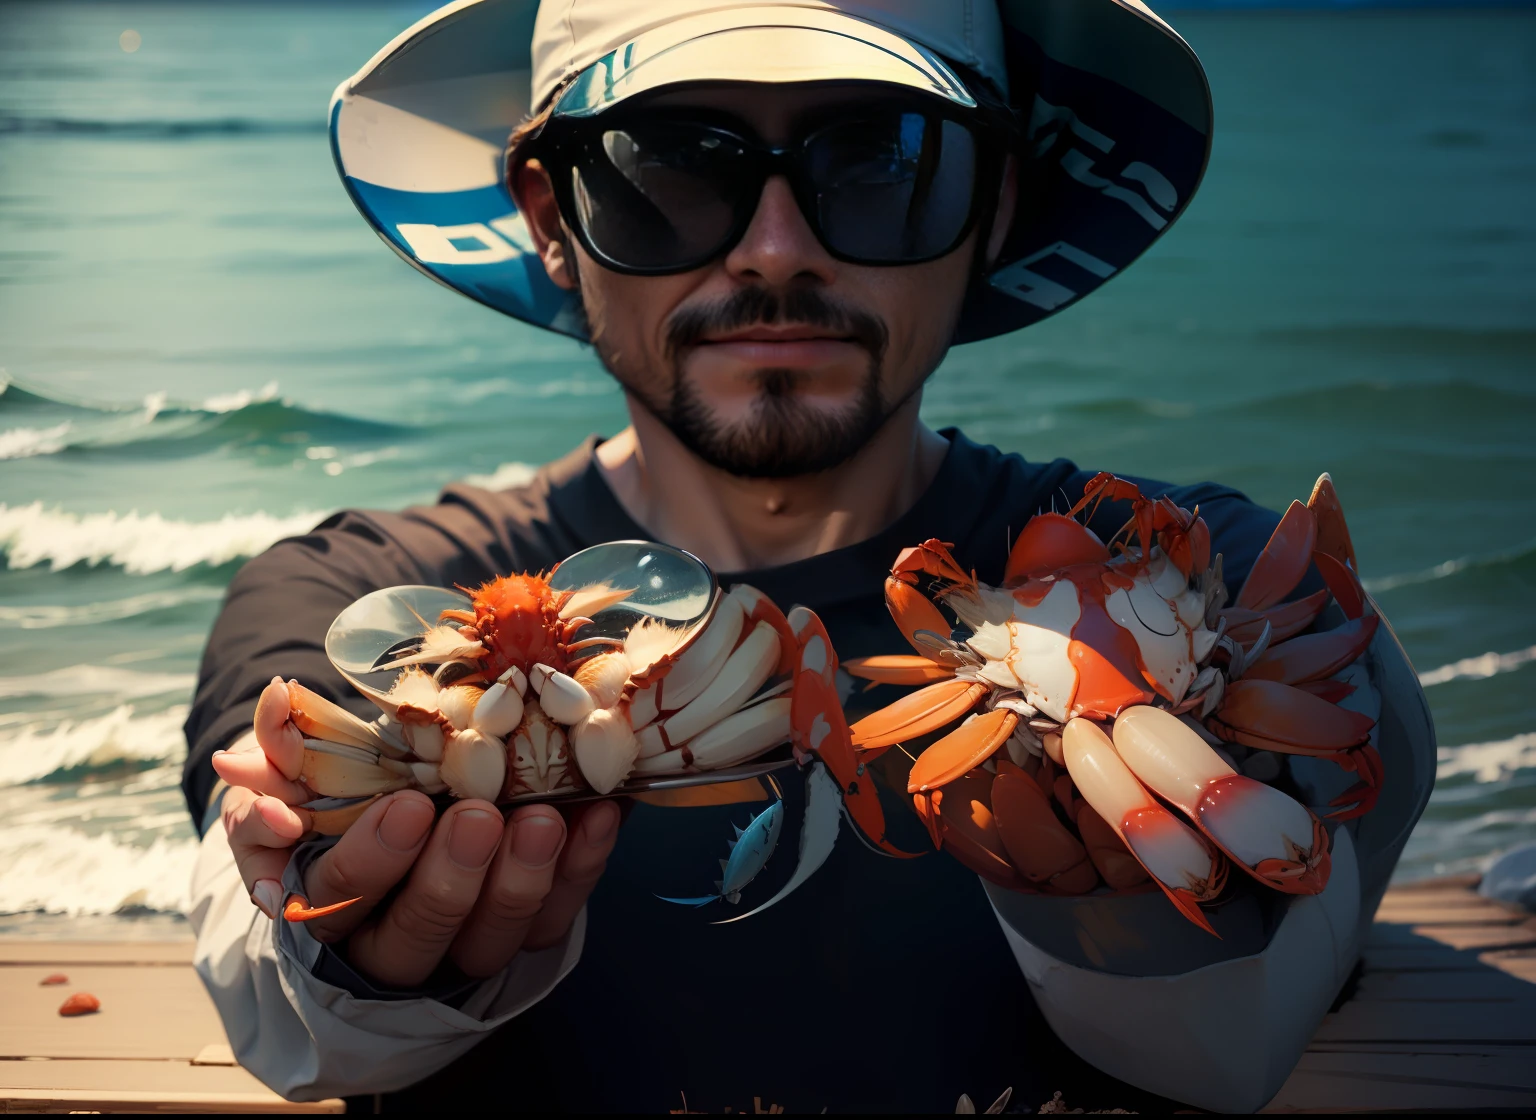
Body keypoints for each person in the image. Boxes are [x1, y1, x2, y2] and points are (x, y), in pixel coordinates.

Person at [182, 0, 1306, 1110]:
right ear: (549, 215)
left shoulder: (1188, 578)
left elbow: (1302, 916)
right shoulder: (348, 593)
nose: (776, 250)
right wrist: (346, 955)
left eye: (882, 158)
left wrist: (1181, 924)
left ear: (995, 202)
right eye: (669, 165)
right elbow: (272, 952)